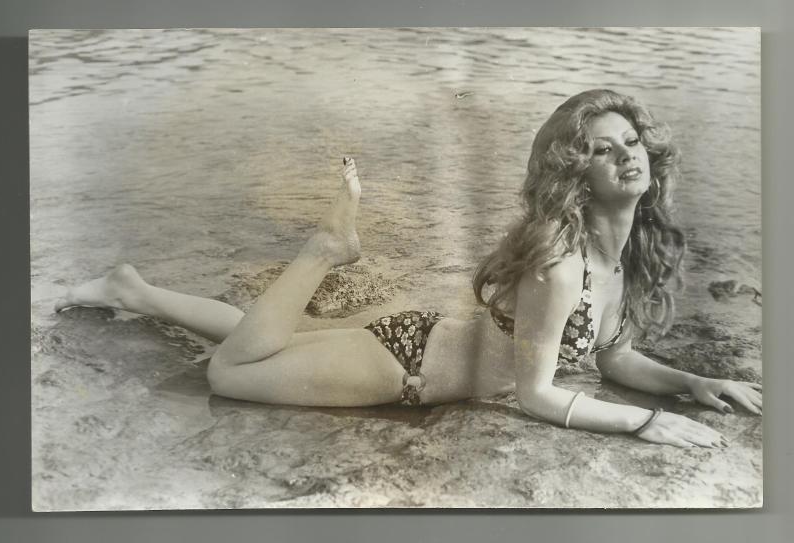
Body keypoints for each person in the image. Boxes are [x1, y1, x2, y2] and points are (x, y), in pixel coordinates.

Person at [55, 89, 762, 448]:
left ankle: (134, 290)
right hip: (406, 368)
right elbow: (537, 395)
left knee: (262, 332)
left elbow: (614, 355)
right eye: (604, 149)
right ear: (577, 171)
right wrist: (641, 424)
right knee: (230, 372)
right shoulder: (560, 262)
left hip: (420, 337)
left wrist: (694, 383)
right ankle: (327, 246)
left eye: (631, 141)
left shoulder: (620, 257)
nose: (627, 154)